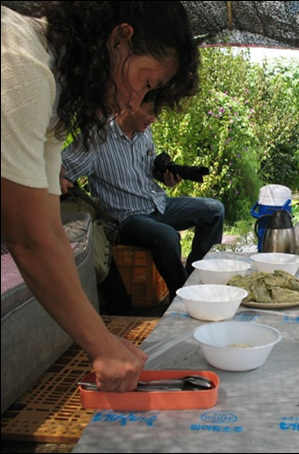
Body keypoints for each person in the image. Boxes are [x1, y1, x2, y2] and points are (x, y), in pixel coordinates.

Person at [1, 2, 199, 392]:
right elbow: (28, 238)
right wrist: (100, 344)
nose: (132, 103)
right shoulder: (19, 64)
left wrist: (102, 338)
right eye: (144, 83)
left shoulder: (55, 105)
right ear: (119, 40)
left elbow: (51, 231)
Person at [60, 91, 225, 306]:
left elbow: (148, 171)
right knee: (166, 236)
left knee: (214, 210)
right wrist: (56, 179)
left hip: (157, 204)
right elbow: (61, 169)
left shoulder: (143, 132)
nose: (153, 119)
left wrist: (165, 178)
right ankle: (184, 297)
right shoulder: (97, 138)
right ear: (133, 104)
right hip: (126, 218)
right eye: (150, 113)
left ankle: (198, 279)